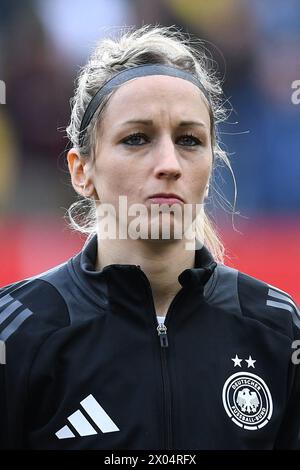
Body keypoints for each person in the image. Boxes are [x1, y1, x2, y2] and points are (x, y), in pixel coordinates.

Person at [1, 25, 300, 450]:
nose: (169, 163)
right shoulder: (17, 332)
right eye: (137, 138)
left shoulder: (277, 328)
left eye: (189, 140)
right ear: (81, 170)